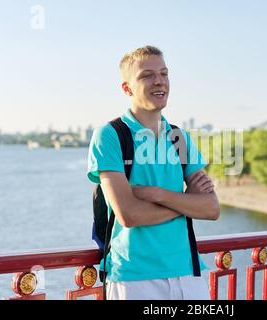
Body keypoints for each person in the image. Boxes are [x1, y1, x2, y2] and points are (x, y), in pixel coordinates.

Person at [87, 45, 220, 300]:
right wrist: (186, 202)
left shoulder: (179, 137)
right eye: (147, 75)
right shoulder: (111, 135)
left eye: (164, 73)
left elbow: (211, 209)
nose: (159, 81)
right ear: (127, 88)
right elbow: (129, 214)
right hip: (133, 277)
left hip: (188, 274)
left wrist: (157, 194)